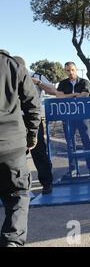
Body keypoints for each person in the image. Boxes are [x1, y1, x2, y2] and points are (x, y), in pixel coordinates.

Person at [0, 50, 40, 247]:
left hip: (12, 144)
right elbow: (32, 104)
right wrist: (32, 135)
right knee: (17, 195)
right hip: (12, 145)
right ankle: (12, 241)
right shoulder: (12, 65)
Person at [14, 56, 57, 194]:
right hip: (15, 120)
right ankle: (18, 186)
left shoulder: (35, 75)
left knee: (38, 152)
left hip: (32, 119)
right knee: (16, 155)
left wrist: (38, 82)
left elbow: (53, 90)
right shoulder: (8, 76)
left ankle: (47, 183)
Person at [56, 61, 90, 179]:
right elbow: (59, 96)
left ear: (76, 70)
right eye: (68, 70)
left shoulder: (84, 81)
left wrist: (69, 96)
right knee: (70, 144)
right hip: (68, 117)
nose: (70, 72)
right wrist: (74, 95)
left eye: (72, 70)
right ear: (65, 71)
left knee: (87, 142)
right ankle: (73, 170)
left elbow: (84, 95)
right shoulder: (62, 83)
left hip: (83, 117)